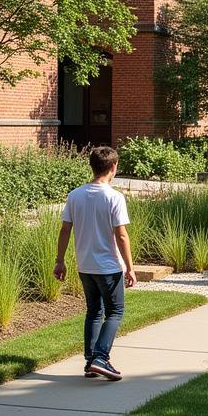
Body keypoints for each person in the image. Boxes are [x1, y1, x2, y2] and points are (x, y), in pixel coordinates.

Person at [54, 146, 136, 381]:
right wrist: (130, 268)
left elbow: (65, 230)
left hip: (85, 265)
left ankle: (91, 362)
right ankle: (100, 357)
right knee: (115, 312)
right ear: (114, 167)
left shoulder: (75, 195)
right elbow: (121, 235)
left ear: (91, 166)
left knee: (93, 311)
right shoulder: (114, 197)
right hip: (109, 266)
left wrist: (60, 261)